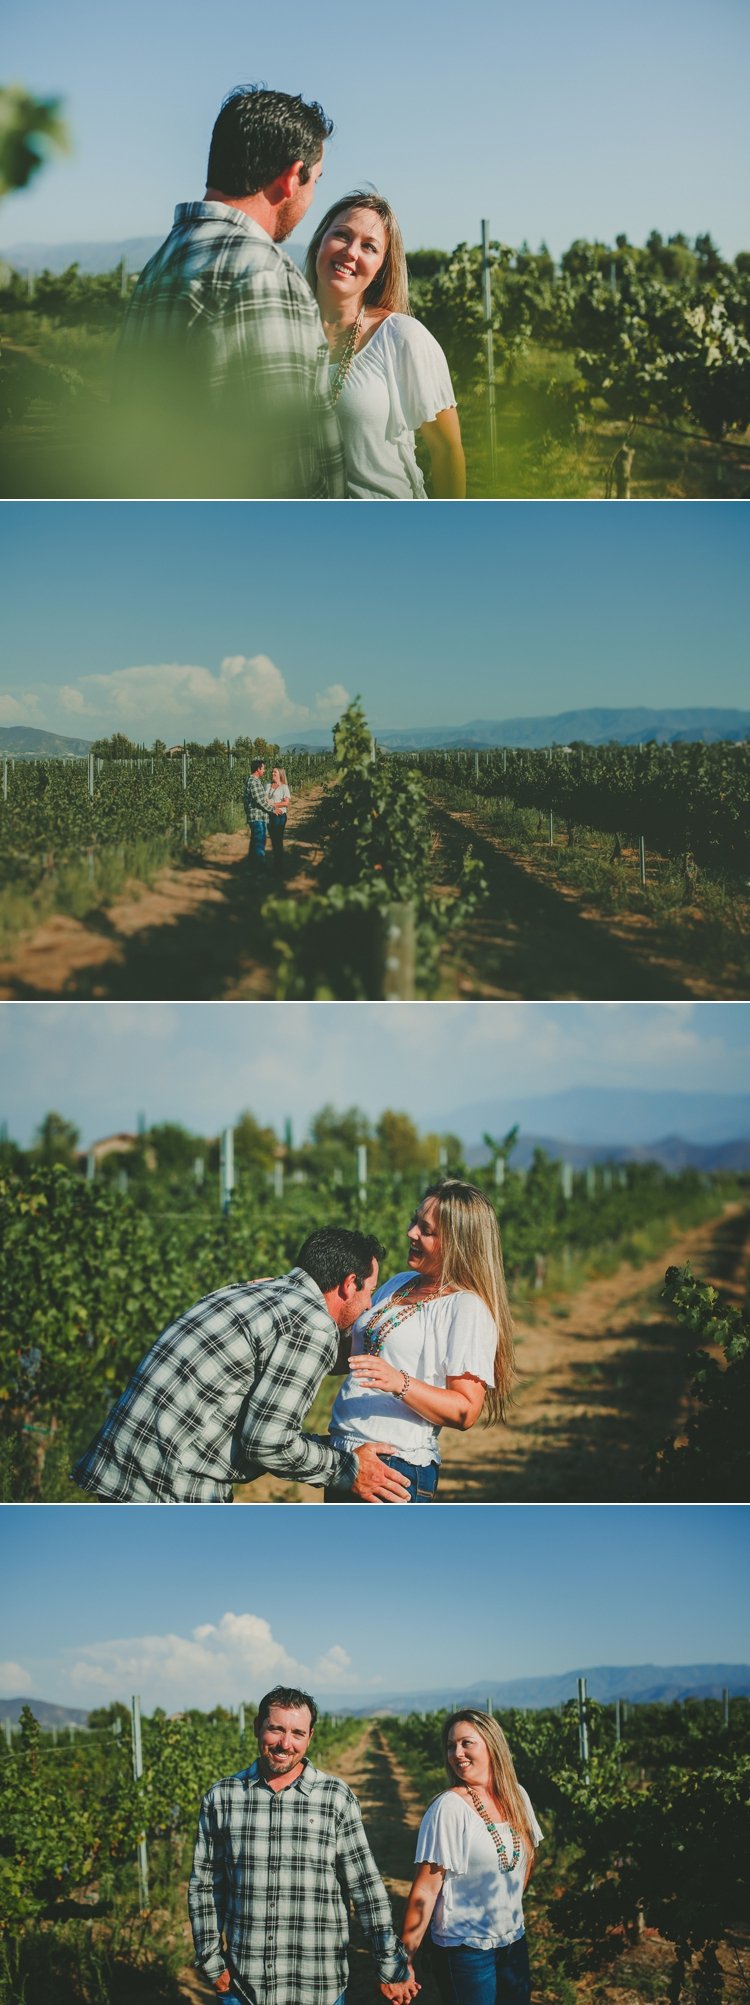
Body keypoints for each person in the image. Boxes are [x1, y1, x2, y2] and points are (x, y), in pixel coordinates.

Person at [113, 86, 346, 498]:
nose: (312, 198)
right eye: (316, 181)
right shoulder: (263, 272)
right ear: (292, 178)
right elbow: (286, 466)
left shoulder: (163, 262)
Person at [71, 1229, 411, 1503]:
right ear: (349, 1283)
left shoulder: (248, 1292)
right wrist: (348, 1469)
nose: (369, 1304)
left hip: (123, 1466)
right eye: (370, 1291)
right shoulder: (313, 1326)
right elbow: (268, 1443)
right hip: (172, 1484)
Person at [189, 1685, 419, 2005]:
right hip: (244, 1987)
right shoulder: (223, 1797)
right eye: (276, 1729)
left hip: (318, 1983)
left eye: (297, 1733)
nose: (286, 1743)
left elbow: (365, 1887)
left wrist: (389, 1963)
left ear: (310, 1737)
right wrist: (212, 1961)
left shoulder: (334, 1797)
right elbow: (205, 1886)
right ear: (257, 1728)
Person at [325, 1178, 513, 1503]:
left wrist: (399, 1382)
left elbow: (465, 1411)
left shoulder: (465, 1307)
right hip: (348, 1454)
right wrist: (292, 1303)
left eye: (426, 1231)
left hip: (394, 1466)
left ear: (458, 1242)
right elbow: (348, 1359)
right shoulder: (401, 1283)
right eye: (415, 1222)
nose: (411, 1233)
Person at [305, 193, 465, 499]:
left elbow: (446, 449)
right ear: (319, 243)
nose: (351, 252)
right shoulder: (281, 331)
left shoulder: (402, 337)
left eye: (369, 246)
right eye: (341, 234)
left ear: (381, 266)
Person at [400, 1709, 542, 2005]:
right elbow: (426, 1889)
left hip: (513, 1940)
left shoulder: (518, 1796)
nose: (457, 1753)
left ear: (491, 1744)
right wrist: (405, 1960)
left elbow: (527, 1857)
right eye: (451, 1746)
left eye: (466, 1743)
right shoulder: (449, 1808)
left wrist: (506, 1907)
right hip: (465, 1950)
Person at [244, 756, 271, 869]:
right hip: (257, 817)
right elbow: (260, 801)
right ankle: (260, 867)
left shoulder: (255, 781)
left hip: (258, 816)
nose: (264, 770)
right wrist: (273, 810)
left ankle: (251, 865)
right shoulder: (253, 782)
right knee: (260, 841)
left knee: (255, 841)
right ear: (258, 769)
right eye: (263, 768)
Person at [267, 765, 291, 871]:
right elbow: (264, 799)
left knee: (278, 839)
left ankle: (279, 864)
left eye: (275, 772)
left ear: (280, 774)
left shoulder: (284, 787)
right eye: (272, 772)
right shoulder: (267, 785)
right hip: (269, 815)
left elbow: (286, 803)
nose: (273, 774)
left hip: (279, 816)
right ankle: (277, 861)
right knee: (273, 839)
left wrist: (273, 804)